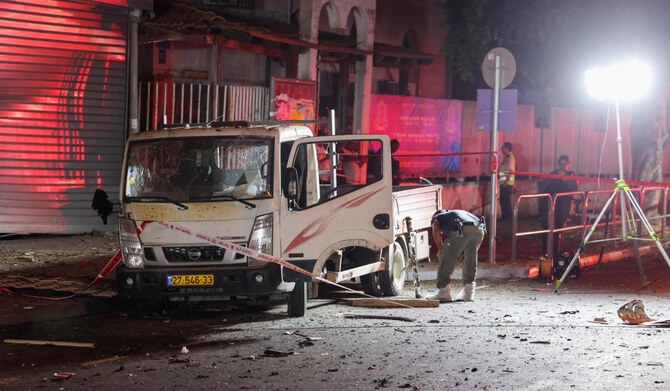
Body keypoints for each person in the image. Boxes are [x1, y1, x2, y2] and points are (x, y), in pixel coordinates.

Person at [426, 209, 486, 302]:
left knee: (446, 259)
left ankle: (443, 292)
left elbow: (436, 228)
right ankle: (468, 292)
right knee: (470, 260)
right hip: (479, 230)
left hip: (461, 229)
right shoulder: (459, 213)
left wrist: (441, 249)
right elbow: (477, 229)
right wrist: (462, 251)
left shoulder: (437, 216)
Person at [539, 155, 578, 256]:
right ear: (558, 164)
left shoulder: (571, 174)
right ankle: (545, 251)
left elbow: (574, 187)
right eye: (561, 164)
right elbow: (544, 185)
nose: (563, 166)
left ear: (568, 165)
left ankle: (555, 251)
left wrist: (564, 178)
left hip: (564, 204)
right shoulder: (553, 173)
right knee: (546, 226)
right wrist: (556, 177)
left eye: (565, 164)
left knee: (559, 228)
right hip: (550, 203)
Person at [498, 142, 516, 221]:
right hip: (505, 183)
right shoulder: (507, 157)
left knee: (505, 201)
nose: (501, 148)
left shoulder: (509, 158)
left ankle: (507, 218)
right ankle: (505, 217)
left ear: (506, 148)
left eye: (503, 147)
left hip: (507, 184)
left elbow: (511, 171)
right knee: (503, 200)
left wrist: (506, 182)